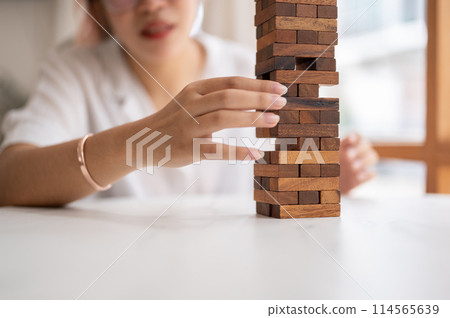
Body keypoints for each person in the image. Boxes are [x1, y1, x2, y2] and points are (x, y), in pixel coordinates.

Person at [0, 0, 378, 207]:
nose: (151, 5)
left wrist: (327, 180)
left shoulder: (256, 67)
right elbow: (11, 180)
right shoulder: (72, 71)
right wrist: (145, 142)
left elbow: (292, 178)